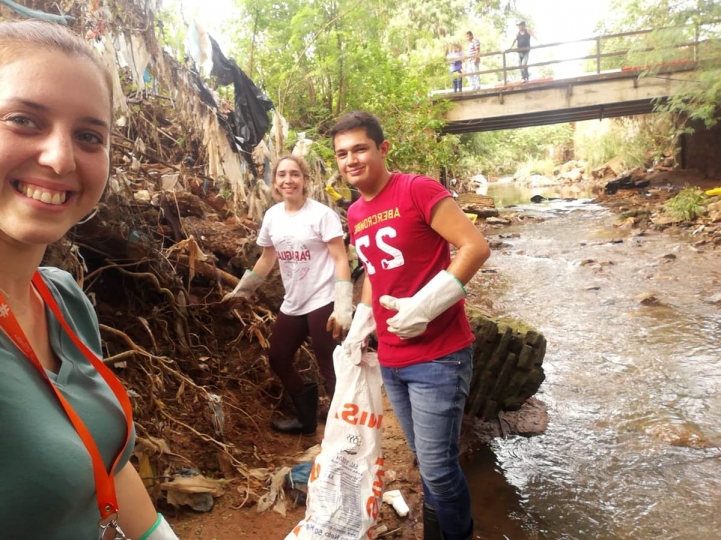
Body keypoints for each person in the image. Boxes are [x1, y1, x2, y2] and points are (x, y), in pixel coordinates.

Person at [0, 20, 177, 540]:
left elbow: (110, 465)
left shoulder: (62, 298)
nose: (60, 158)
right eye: (24, 121)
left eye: (88, 136)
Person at [330, 111, 491, 540]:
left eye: (360, 149)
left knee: (438, 471)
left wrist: (427, 305)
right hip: (392, 358)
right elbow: (376, 275)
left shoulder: (417, 189)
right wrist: (361, 323)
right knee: (426, 459)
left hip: (440, 355)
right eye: (342, 153)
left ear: (382, 149)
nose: (351, 160)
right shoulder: (357, 212)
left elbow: (475, 246)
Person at [223, 155, 352, 435]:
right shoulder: (273, 216)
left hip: (323, 298)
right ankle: (306, 421)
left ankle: (346, 431)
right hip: (294, 301)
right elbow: (268, 258)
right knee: (279, 357)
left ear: (305, 180)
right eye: (282, 175)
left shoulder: (321, 215)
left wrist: (343, 304)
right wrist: (243, 290)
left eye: (295, 174)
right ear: (275, 182)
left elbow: (341, 259)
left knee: (329, 364)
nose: (288, 180)